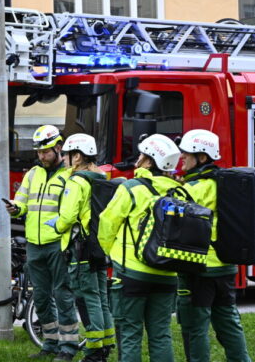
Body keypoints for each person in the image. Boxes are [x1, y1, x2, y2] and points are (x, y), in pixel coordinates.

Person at [97, 134, 182, 362]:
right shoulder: (180, 192)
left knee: (130, 333)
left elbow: (107, 224)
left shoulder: (131, 188)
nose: (137, 159)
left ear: (149, 161)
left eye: (142, 155)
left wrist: (111, 252)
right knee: (161, 334)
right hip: (168, 273)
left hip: (131, 274)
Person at [4, 125, 79, 361]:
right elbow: (22, 202)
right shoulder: (32, 174)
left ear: (59, 148)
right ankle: (50, 343)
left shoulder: (69, 175)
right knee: (42, 297)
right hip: (34, 244)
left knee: (63, 296)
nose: (42, 156)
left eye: (46, 151)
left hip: (58, 244)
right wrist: (15, 208)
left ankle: (68, 346)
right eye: (39, 152)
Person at [176, 130, 251, 362]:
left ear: (202, 157)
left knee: (195, 326)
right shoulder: (227, 184)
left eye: (186, 154)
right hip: (226, 266)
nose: (182, 158)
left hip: (200, 268)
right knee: (228, 322)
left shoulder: (192, 189)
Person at [48, 133, 114, 362]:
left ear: (77, 156)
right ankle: (106, 344)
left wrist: (56, 225)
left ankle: (94, 352)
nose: (64, 158)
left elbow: (67, 217)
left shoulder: (76, 182)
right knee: (101, 298)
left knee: (88, 299)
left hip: (81, 248)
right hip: (99, 246)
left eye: (67, 154)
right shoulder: (101, 177)